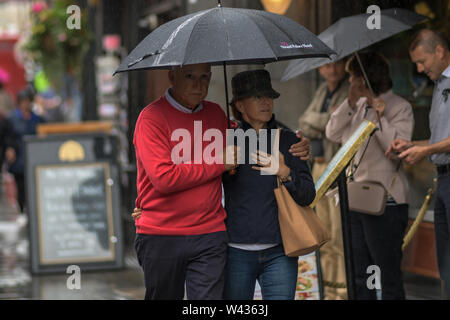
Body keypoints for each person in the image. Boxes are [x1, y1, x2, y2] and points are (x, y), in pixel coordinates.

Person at [132, 64, 312, 300]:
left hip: (211, 234)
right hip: (164, 234)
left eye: (205, 77)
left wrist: (297, 147)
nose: (199, 84)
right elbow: (163, 179)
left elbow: (258, 134)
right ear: (171, 76)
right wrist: (219, 163)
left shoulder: (217, 116)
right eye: (190, 76)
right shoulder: (151, 117)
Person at [326, 52, 414, 300]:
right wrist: (350, 103)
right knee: (357, 271)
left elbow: (396, 150)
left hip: (385, 200)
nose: (351, 81)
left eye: (354, 76)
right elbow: (332, 133)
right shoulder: (357, 106)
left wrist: (378, 115)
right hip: (354, 197)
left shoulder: (400, 107)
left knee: (387, 274)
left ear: (366, 78)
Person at [222, 69, 316, 300]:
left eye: (269, 96)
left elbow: (307, 196)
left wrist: (285, 172)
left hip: (280, 252)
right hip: (235, 252)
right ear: (240, 106)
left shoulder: (289, 140)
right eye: (256, 97)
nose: (265, 102)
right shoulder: (225, 142)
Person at [387, 29, 450, 299]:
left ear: (439, 51)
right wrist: (415, 146)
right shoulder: (439, 86)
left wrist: (425, 151)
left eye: (422, 61)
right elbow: (442, 138)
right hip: (443, 178)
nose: (420, 69)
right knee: (446, 262)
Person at [298, 59, 349, 299]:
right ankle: (329, 290)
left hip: (337, 167)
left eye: (337, 65)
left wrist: (319, 122)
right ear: (320, 69)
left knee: (339, 234)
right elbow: (303, 121)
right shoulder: (322, 90)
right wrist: (322, 120)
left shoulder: (348, 90)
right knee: (325, 234)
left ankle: (343, 290)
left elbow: (334, 125)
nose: (333, 70)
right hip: (318, 168)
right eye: (328, 67)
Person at [6, 88, 45, 213]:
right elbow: (8, 136)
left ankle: (33, 210)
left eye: (27, 101)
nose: (25, 104)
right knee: (20, 185)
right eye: (23, 102)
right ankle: (22, 209)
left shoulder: (37, 119)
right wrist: (9, 149)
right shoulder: (12, 119)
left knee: (34, 184)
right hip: (19, 156)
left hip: (35, 156)